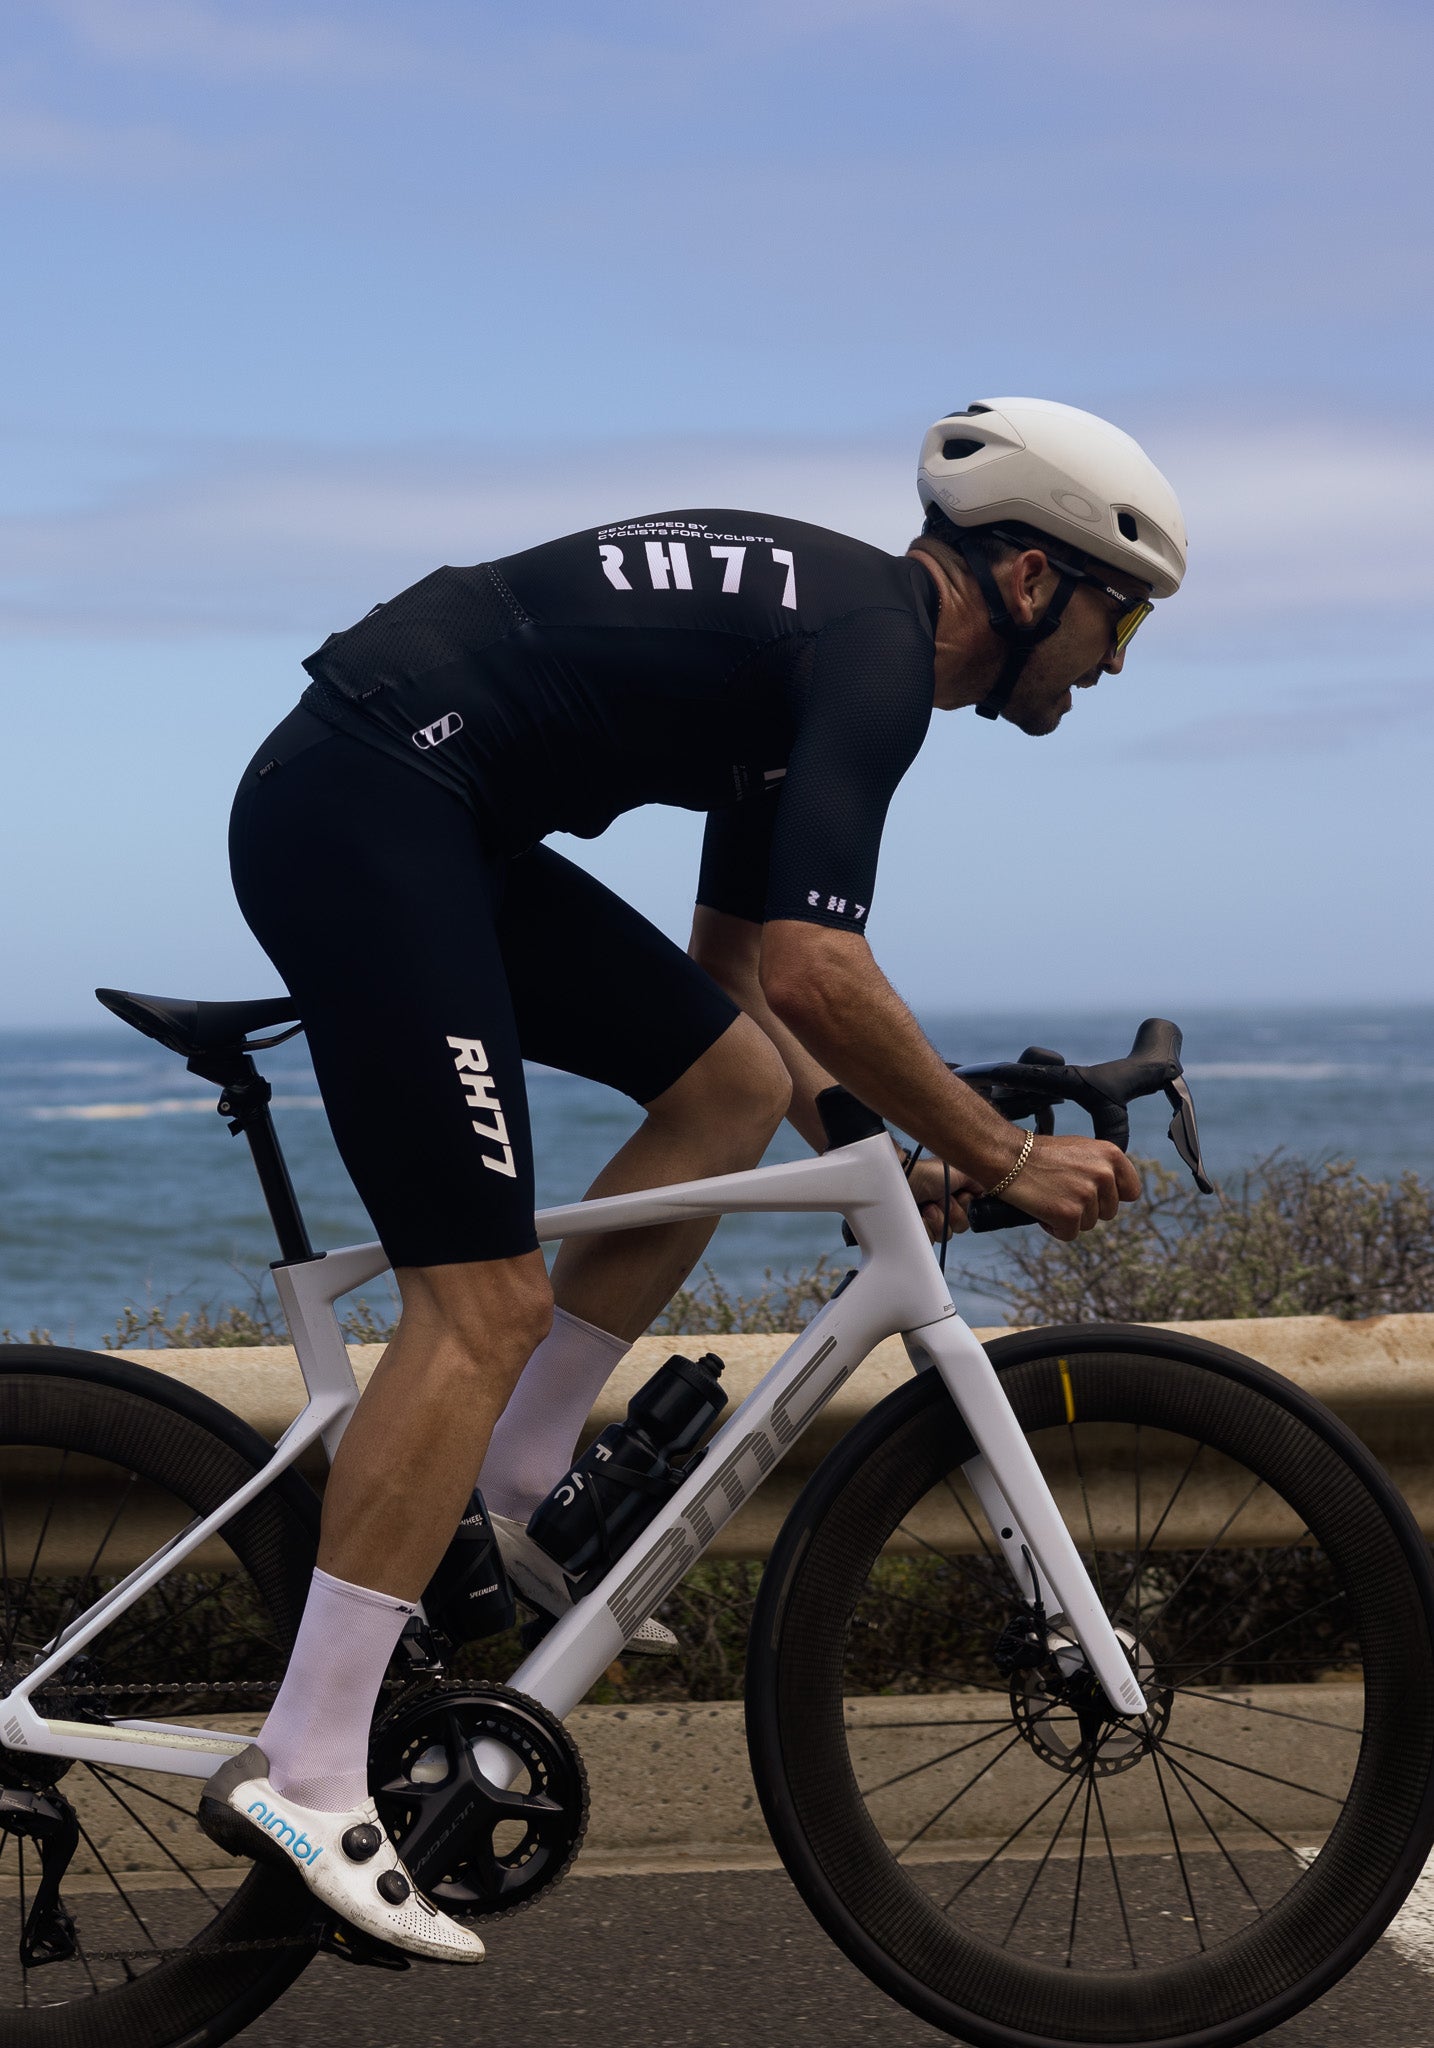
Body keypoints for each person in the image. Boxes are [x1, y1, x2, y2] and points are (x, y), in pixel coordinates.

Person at [202, 397, 1187, 1957]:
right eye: (1115, 622)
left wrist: (880, 1163)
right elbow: (818, 969)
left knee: (721, 1082)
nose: (1113, 664)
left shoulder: (824, 649)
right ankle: (310, 1769)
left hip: (413, 803)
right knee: (478, 1305)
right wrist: (998, 1151)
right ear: (1024, 579)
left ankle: (517, 1485)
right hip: (374, 804)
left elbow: (739, 982)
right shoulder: (873, 657)